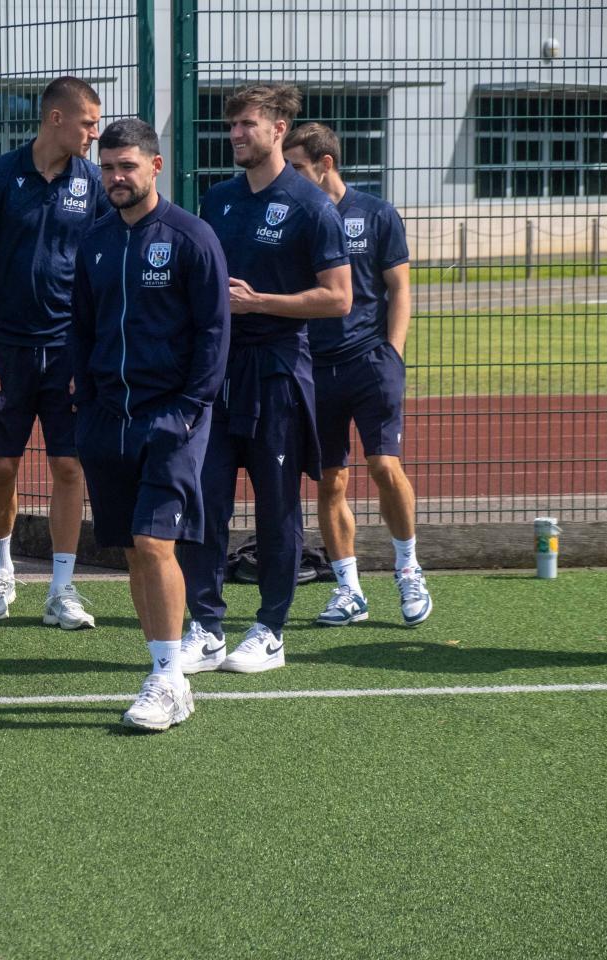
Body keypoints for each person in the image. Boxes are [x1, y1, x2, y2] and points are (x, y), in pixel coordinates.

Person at [178, 85, 352, 674]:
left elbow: (338, 298)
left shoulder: (311, 206)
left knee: (278, 508)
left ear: (280, 128)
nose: (235, 135)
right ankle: (205, 627)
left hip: (277, 373)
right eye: (232, 126)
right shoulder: (219, 199)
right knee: (204, 500)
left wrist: (262, 304)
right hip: (217, 373)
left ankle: (270, 630)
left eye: (247, 124)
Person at [71, 119, 230, 731]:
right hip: (107, 418)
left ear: (155, 167)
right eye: (107, 167)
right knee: (134, 550)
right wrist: (86, 402)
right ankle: (163, 668)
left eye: (127, 166)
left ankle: (167, 679)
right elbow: (81, 327)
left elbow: (215, 331)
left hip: (173, 417)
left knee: (157, 542)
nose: (115, 177)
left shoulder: (192, 237)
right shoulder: (96, 241)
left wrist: (191, 408)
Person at [0, 76, 109, 627]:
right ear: (56, 119)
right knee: (3, 464)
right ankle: (1, 573)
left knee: (69, 466)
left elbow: (99, 271)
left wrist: (92, 350)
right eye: (88, 121)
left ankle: (62, 589)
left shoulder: (92, 182)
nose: (94, 132)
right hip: (6, 348)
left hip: (69, 349)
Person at [284, 122, 433, 626]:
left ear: (325, 165)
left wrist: (392, 351)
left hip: (370, 362)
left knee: (384, 467)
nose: (291, 176)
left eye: (299, 167)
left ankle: (408, 567)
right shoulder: (296, 219)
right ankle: (348, 589)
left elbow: (399, 289)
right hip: (314, 368)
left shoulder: (375, 213)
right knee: (330, 482)